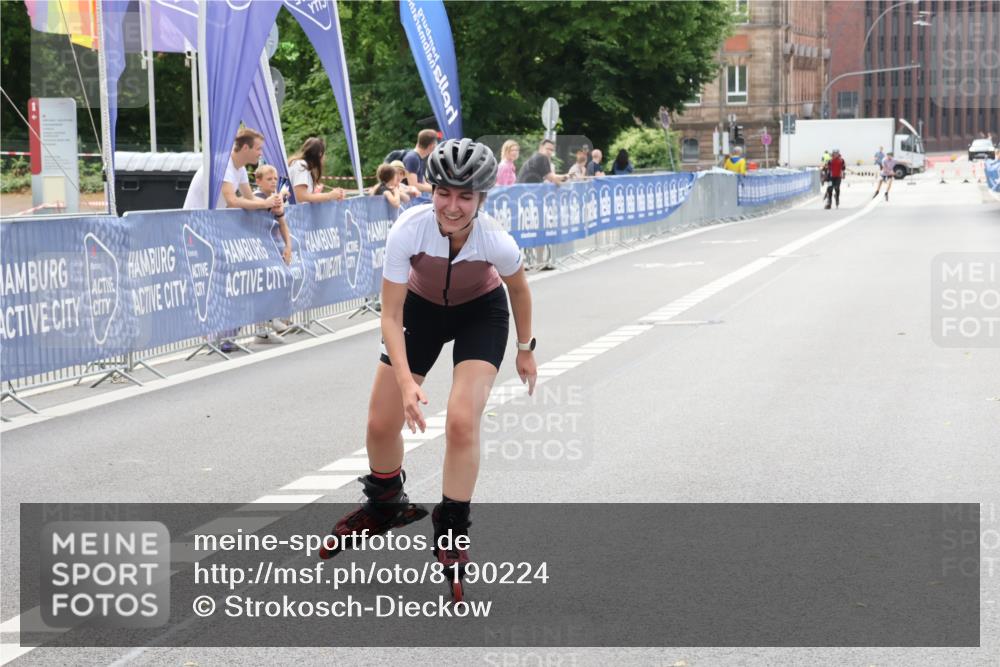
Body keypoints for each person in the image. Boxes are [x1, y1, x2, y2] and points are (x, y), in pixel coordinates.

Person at [320, 139, 538, 598]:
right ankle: (385, 506)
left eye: (466, 197)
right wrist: (404, 383)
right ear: (432, 190)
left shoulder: (495, 239)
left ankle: (452, 531)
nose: (452, 206)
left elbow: (518, 291)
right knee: (381, 422)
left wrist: (524, 348)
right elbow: (390, 315)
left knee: (462, 422)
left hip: (481, 312)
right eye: (444, 193)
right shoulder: (409, 229)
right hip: (418, 311)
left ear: (481, 199)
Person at [183, 127, 282, 353]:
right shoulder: (224, 165)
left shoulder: (240, 170)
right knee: (217, 280)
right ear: (245, 147)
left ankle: (227, 333)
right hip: (197, 230)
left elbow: (250, 198)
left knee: (236, 277)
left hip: (214, 229)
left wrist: (272, 201)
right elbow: (233, 200)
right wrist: (265, 203)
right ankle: (215, 333)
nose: (260, 154)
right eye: (258, 149)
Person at [251, 164, 294, 342]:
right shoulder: (256, 197)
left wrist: (288, 246)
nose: (273, 182)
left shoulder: (275, 198)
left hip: (271, 247)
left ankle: (273, 317)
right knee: (261, 284)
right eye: (269, 179)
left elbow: (282, 223)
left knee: (282, 277)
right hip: (256, 246)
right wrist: (279, 198)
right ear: (258, 181)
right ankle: (261, 327)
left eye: (275, 179)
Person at [287, 137, 346, 204]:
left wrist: (335, 194)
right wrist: (330, 195)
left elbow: (306, 196)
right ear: (320, 154)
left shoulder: (303, 167)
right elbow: (301, 196)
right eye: (324, 154)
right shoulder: (301, 165)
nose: (324, 158)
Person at [402, 129, 440, 198]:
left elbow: (422, 182)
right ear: (431, 146)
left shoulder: (418, 158)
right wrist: (437, 190)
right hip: (411, 201)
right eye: (436, 143)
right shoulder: (412, 158)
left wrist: (437, 189)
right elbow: (414, 185)